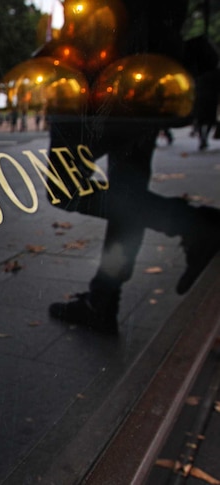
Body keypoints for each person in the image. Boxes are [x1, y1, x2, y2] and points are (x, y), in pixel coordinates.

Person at [44, 1, 220, 334]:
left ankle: (196, 225)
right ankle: (104, 298)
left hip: (104, 67)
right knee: (127, 194)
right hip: (149, 69)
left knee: (65, 189)